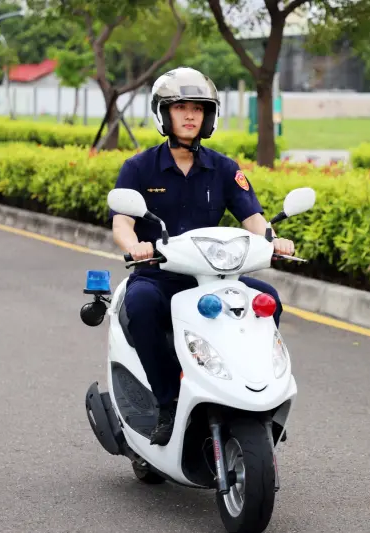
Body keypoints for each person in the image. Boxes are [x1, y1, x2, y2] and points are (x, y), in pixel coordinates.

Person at [108, 67, 295, 447]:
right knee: (140, 304)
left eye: (198, 108)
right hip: (158, 276)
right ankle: (166, 402)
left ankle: (255, 397)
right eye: (181, 108)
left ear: (208, 116)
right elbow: (122, 222)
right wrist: (134, 246)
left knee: (268, 302)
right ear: (164, 114)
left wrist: (274, 240)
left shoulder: (224, 169)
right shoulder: (139, 167)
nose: (190, 115)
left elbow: (254, 218)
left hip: (215, 277)